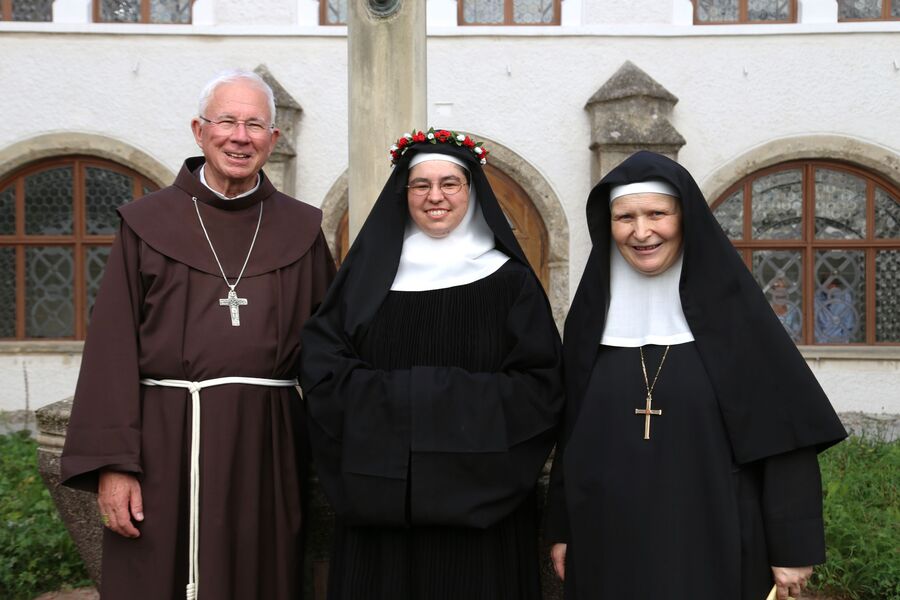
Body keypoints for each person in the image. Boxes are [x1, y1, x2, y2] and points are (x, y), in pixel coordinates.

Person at [60, 70, 335, 600]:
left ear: (273, 141)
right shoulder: (146, 222)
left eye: (255, 125)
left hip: (267, 443)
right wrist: (114, 465)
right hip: (164, 440)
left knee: (260, 575)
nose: (240, 136)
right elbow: (111, 351)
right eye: (227, 121)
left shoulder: (301, 229)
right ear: (199, 130)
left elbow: (332, 348)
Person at [544, 151, 847, 600]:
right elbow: (571, 436)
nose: (641, 231)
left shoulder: (736, 320)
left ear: (686, 219)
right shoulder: (591, 321)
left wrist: (792, 548)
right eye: (625, 217)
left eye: (656, 214)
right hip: (608, 542)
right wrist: (562, 528)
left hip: (716, 541)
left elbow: (786, 442)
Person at [299, 128, 564, 600]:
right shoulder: (363, 279)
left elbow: (539, 387)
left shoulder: (512, 284)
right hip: (380, 507)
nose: (434, 196)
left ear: (472, 191)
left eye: (450, 183)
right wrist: (428, 399)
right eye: (421, 184)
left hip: (484, 508)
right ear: (404, 193)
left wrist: (410, 396)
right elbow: (322, 371)